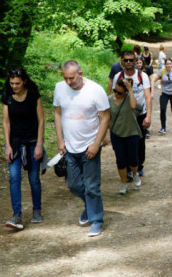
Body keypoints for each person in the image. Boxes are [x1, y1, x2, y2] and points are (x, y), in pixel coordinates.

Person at [54, 60, 110, 237]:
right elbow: (57, 112)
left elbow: (105, 118)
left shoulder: (95, 90)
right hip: (70, 146)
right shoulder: (60, 88)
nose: (69, 82)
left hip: (90, 145)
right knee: (73, 184)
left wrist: (96, 143)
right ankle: (90, 206)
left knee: (92, 186)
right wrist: (60, 139)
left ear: (80, 73)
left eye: (72, 78)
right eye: (65, 78)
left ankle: (96, 221)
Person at [2, 68, 45, 230]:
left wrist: (39, 144)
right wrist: (7, 145)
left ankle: (37, 209)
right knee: (14, 177)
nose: (14, 86)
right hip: (14, 143)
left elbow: (41, 120)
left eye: (17, 83)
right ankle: (17, 215)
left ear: (24, 81)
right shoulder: (7, 96)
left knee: (33, 178)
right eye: (12, 83)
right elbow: (6, 122)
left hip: (32, 141)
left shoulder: (33, 95)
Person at [113, 51, 152, 178]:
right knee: (124, 141)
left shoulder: (142, 76)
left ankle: (139, 166)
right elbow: (114, 95)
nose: (129, 62)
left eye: (131, 60)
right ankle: (128, 168)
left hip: (140, 114)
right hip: (124, 115)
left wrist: (148, 116)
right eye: (126, 60)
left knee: (140, 141)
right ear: (122, 61)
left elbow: (147, 96)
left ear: (135, 61)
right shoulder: (118, 76)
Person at [104, 77, 142, 195]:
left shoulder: (129, 98)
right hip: (116, 133)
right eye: (115, 90)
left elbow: (133, 106)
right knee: (120, 160)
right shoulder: (109, 100)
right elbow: (105, 119)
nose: (116, 94)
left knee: (133, 160)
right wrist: (104, 136)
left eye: (119, 92)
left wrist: (130, 90)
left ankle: (135, 174)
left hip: (131, 133)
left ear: (125, 92)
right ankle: (124, 183)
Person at [153, 58, 172, 134]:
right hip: (164, 93)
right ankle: (163, 127)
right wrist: (151, 89)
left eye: (170, 64)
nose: (169, 65)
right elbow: (153, 79)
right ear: (165, 65)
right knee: (163, 109)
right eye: (167, 64)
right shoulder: (162, 71)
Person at [135, 56, 153, 139]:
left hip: (146, 92)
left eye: (140, 63)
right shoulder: (133, 73)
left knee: (146, 109)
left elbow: (151, 80)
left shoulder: (147, 70)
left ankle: (146, 128)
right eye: (137, 63)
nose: (139, 64)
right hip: (138, 95)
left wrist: (152, 91)